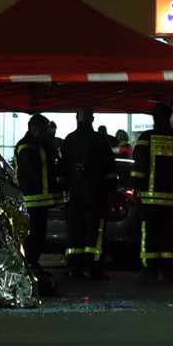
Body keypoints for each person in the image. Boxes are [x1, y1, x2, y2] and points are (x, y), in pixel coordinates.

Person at [131, 102, 173, 283]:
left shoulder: (146, 138)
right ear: (170, 117)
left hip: (150, 200)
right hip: (172, 200)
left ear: (154, 117)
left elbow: (139, 167)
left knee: (149, 235)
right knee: (170, 237)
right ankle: (169, 272)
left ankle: (149, 272)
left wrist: (136, 188)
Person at [61, 106, 117, 280]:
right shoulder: (100, 140)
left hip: (75, 190)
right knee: (95, 228)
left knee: (74, 227)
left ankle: (74, 268)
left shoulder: (69, 140)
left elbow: (61, 169)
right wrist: (111, 191)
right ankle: (94, 267)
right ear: (92, 119)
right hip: (95, 189)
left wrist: (64, 190)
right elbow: (110, 169)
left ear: (76, 118)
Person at [14, 113, 63, 272]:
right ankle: (30, 264)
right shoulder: (27, 147)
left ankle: (32, 263)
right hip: (32, 199)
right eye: (44, 128)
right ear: (34, 129)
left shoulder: (39, 144)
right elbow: (35, 169)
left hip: (40, 200)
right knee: (33, 235)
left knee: (38, 235)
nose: (47, 132)